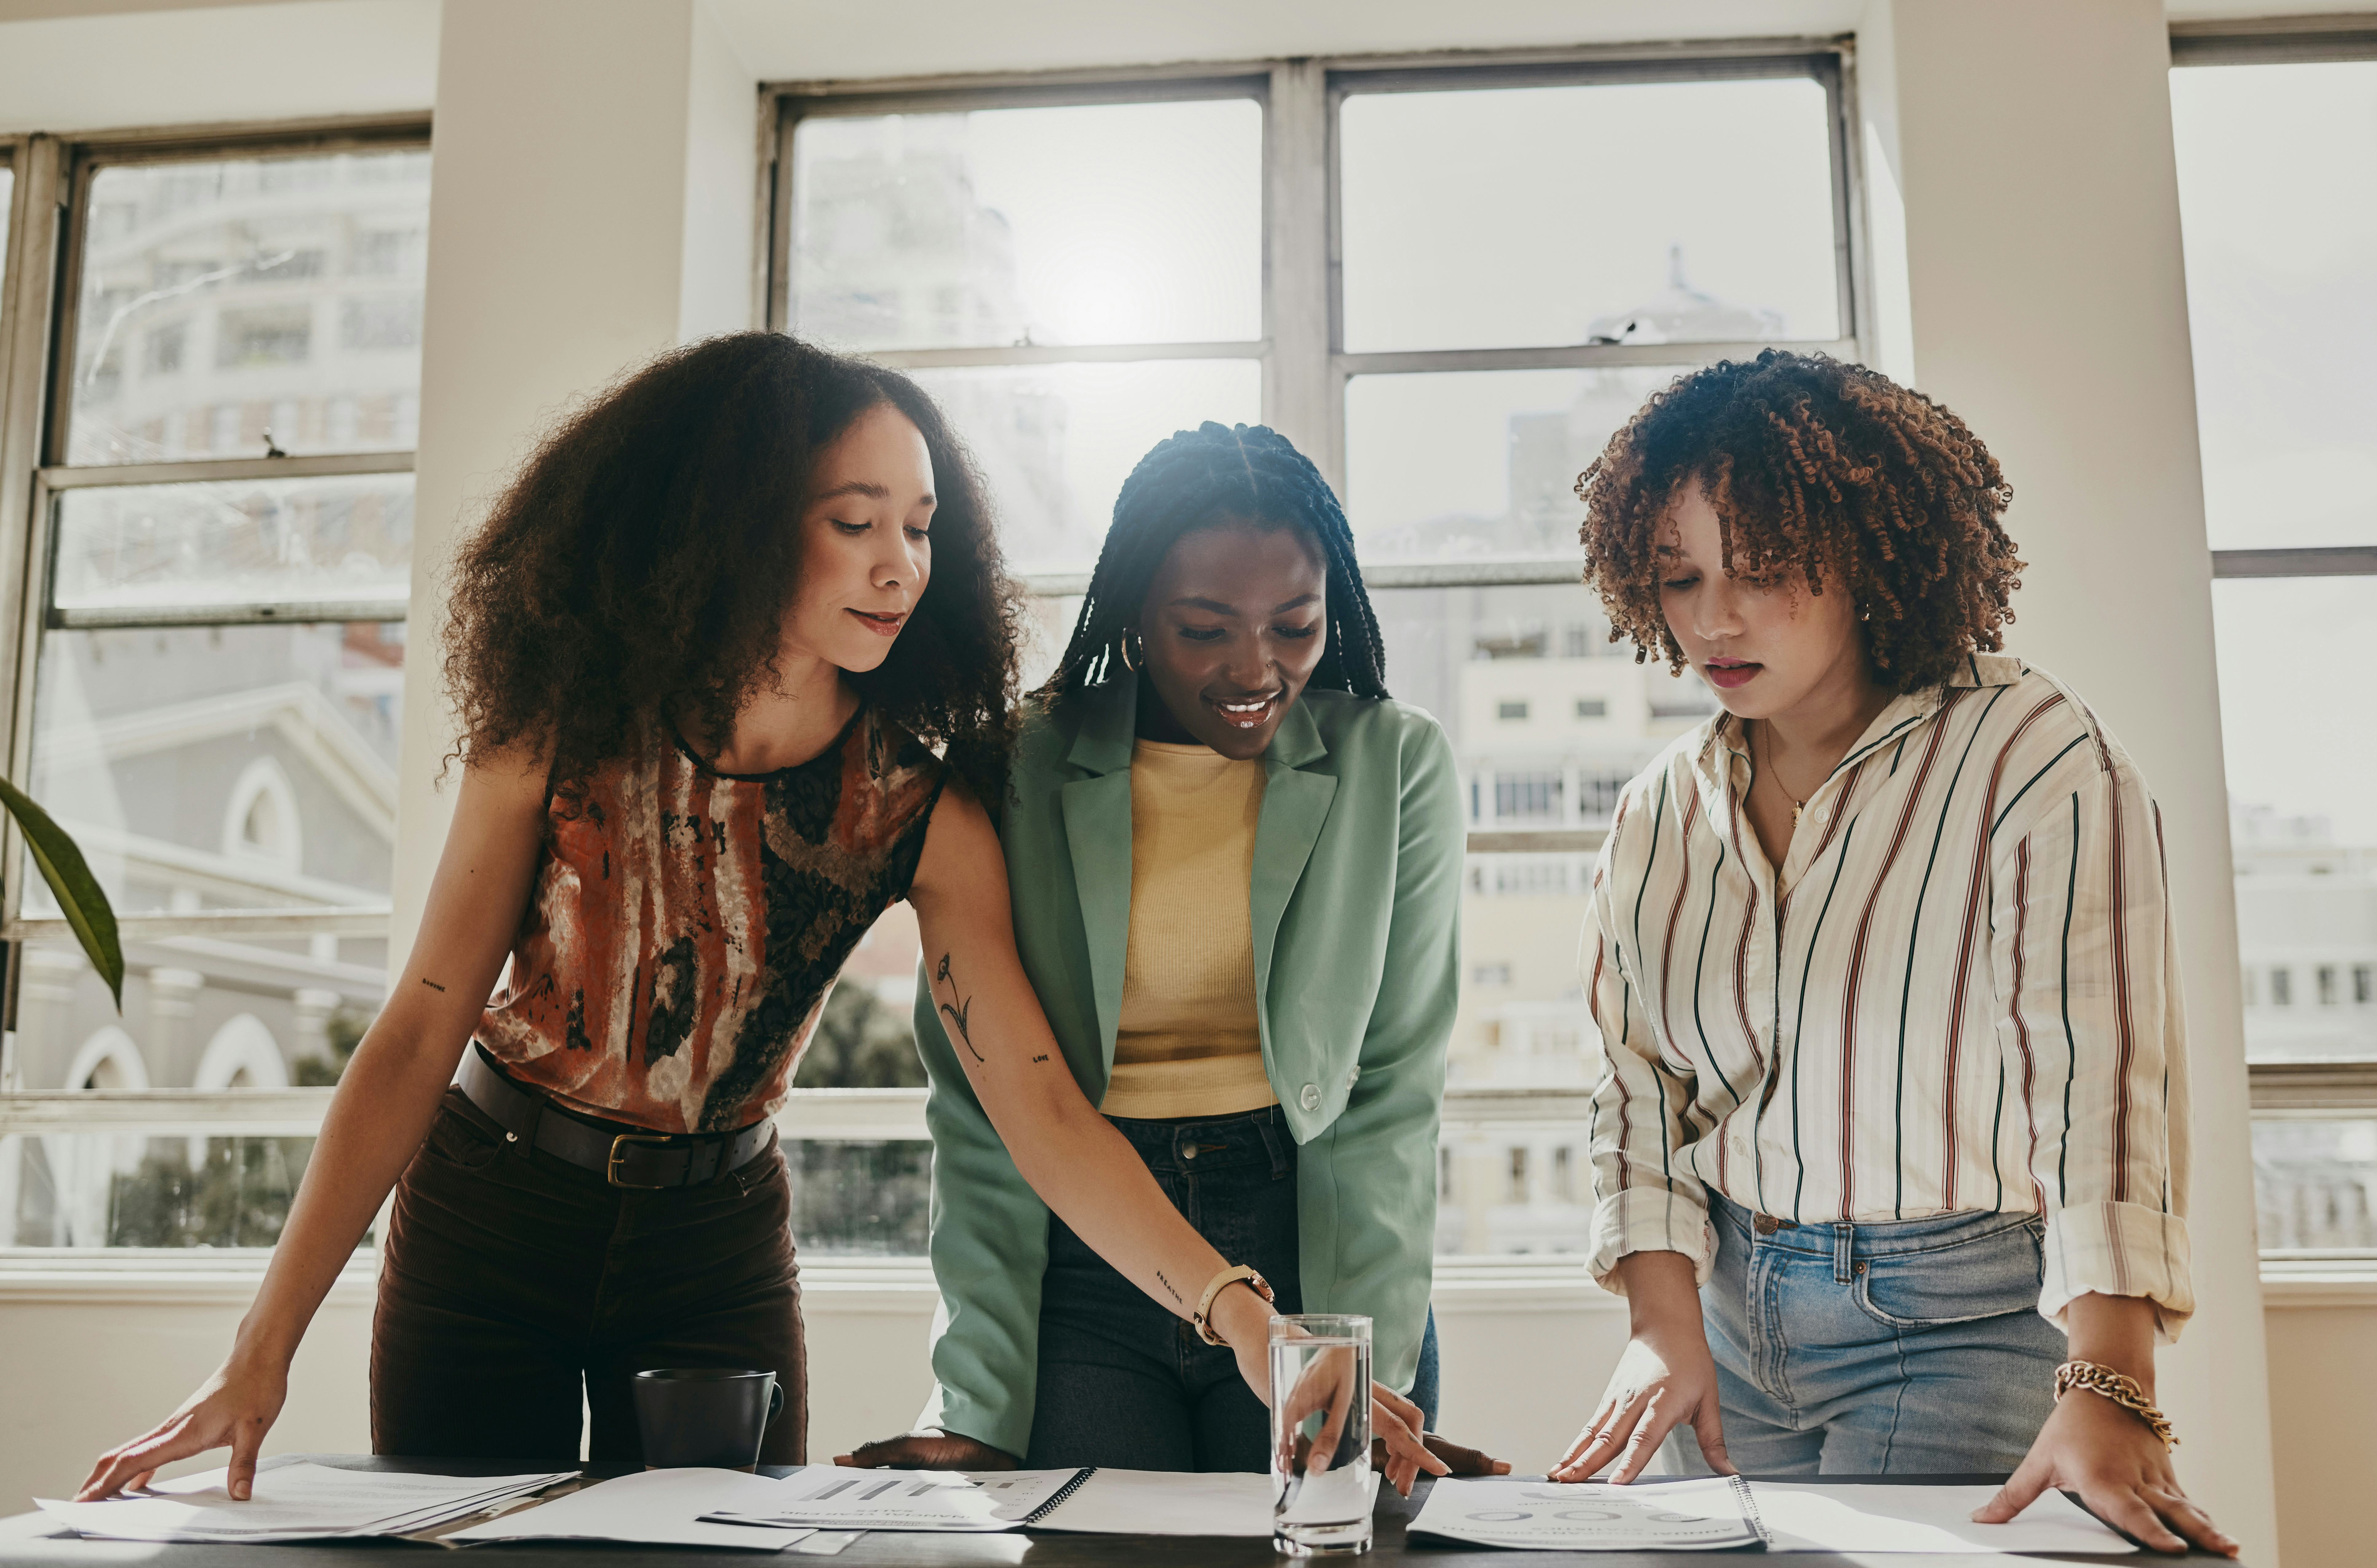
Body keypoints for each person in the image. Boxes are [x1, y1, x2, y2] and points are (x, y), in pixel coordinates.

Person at [76, 341, 1443, 1500]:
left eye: (921, 527)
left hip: (716, 1236)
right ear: (735, 519)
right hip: (490, 1211)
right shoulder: (561, 728)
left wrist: (1248, 1323)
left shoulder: (924, 796)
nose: (901, 565)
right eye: (856, 523)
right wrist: (260, 1349)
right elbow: (419, 1030)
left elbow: (1036, 1104)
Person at [1549, 350, 2236, 1558]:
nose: (1714, 619)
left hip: (1957, 1321)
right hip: (1722, 1317)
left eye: (1761, 573)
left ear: (1868, 554)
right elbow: (1637, 1088)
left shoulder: (2034, 757)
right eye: (1680, 578)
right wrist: (1663, 1327)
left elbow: (2097, 1084)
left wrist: (2110, 1379)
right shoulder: (1659, 811)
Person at [841, 422, 1503, 1478]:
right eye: (1206, 629)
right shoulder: (1019, 768)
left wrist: (1364, 1355)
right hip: (1087, 1259)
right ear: (1136, 617)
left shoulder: (1397, 766)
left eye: (1296, 625)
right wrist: (977, 1392)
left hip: (1308, 1234)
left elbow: (1390, 1097)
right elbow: (984, 1108)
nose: (1258, 668)